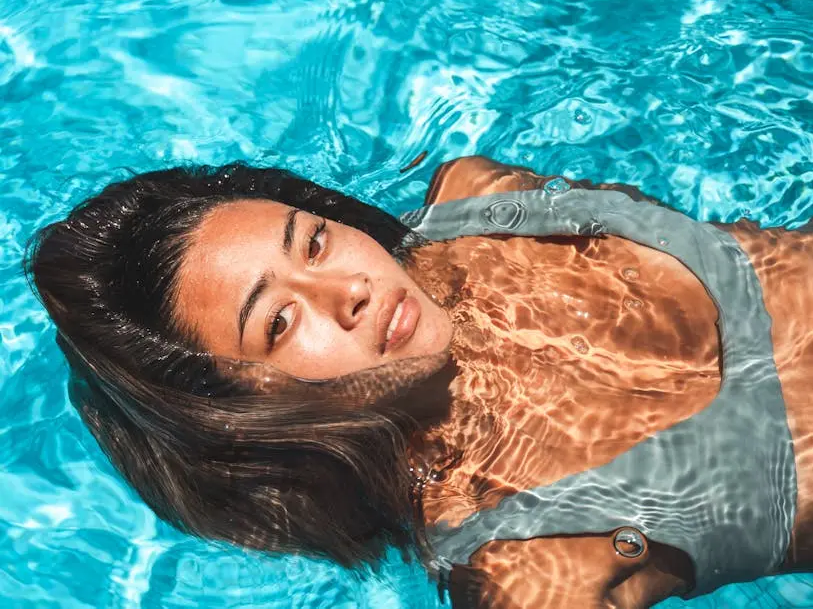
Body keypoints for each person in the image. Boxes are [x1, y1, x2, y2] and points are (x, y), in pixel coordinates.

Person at [25, 155, 813, 608]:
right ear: (247, 409)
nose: (347, 291)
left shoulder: (485, 203)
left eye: (314, 242)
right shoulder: (530, 560)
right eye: (278, 323)